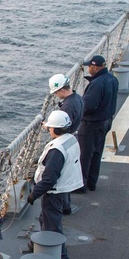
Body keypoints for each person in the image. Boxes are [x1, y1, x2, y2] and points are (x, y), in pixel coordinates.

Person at [27, 110, 84, 259]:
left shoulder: (56, 150)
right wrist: (47, 125)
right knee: (46, 218)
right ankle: (37, 244)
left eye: (50, 128)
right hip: (65, 186)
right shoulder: (71, 139)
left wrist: (34, 194)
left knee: (53, 226)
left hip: (54, 192)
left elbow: (49, 179)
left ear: (55, 130)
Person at [76, 55, 119, 193]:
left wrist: (76, 107)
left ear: (95, 67)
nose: (88, 68)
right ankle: (91, 182)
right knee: (96, 153)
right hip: (106, 122)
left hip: (92, 125)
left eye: (90, 66)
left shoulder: (97, 84)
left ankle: (80, 185)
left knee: (84, 155)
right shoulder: (113, 79)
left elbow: (89, 106)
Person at [49, 73, 83, 216]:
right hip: (73, 139)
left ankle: (64, 207)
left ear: (61, 90)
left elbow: (62, 126)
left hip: (65, 140)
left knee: (62, 177)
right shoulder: (77, 98)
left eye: (56, 92)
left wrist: (49, 127)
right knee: (68, 172)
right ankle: (66, 205)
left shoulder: (67, 106)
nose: (56, 95)